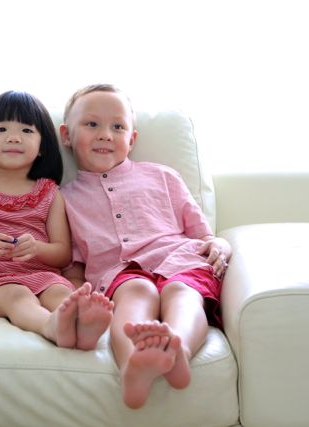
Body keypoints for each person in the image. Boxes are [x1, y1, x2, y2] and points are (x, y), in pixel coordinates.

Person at [59, 84, 232, 408]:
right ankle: (132, 365)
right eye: (92, 124)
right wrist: (77, 294)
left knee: (182, 293)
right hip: (119, 271)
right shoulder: (64, 199)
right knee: (137, 291)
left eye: (117, 127)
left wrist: (221, 244)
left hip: (180, 259)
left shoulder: (163, 176)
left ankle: (178, 350)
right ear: (67, 135)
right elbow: (72, 263)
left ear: (132, 139)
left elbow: (204, 235)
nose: (105, 134)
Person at [0, 90, 113, 350]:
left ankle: (83, 326)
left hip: (41, 275)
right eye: (1, 129)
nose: (13, 137)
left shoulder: (50, 193)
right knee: (18, 295)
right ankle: (50, 326)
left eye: (26, 130)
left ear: (42, 146)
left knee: (62, 293)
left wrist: (37, 248)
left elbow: (62, 254)